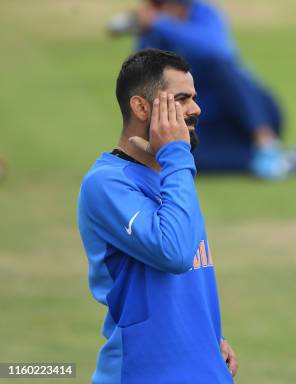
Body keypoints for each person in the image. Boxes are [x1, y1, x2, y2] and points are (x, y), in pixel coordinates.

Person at [77, 49, 237, 383]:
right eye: (181, 99)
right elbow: (174, 252)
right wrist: (175, 155)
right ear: (141, 107)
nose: (196, 109)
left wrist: (207, 343)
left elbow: (188, 278)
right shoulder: (107, 183)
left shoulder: (169, 175)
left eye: (194, 97)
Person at [125, 0, 296, 179]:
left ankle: (266, 144)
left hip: (254, 113)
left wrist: (161, 24)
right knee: (178, 157)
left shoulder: (203, 14)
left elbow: (217, 49)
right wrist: (150, 31)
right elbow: (145, 75)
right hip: (206, 125)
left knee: (222, 68)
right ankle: (291, 160)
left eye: (159, 6)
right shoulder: (155, 34)